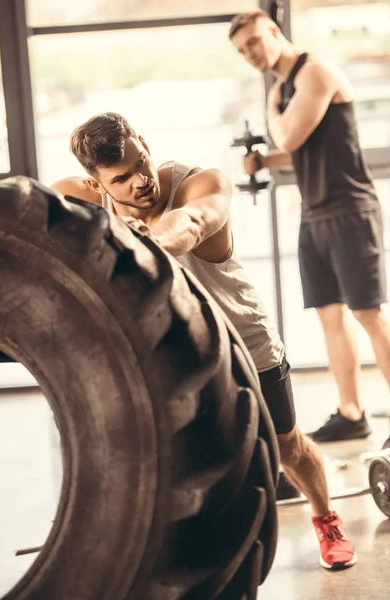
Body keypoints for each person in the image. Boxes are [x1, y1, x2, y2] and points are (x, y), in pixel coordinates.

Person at [51, 111, 356, 570]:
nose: (141, 181)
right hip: (173, 352)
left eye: (141, 163)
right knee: (177, 457)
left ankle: (326, 517)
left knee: (287, 445)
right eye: (122, 177)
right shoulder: (81, 197)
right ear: (96, 184)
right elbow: (33, 214)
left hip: (244, 339)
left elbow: (190, 223)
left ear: (145, 143)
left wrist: (142, 244)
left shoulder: (201, 183)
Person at [229, 10, 390, 446]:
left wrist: (271, 120)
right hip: (314, 211)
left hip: (350, 209)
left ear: (275, 33)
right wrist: (262, 161)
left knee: (369, 315)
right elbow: (298, 151)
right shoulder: (285, 89)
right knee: (330, 316)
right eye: (242, 51)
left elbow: (290, 136)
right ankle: (352, 412)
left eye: (255, 43)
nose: (251, 55)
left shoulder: (315, 73)